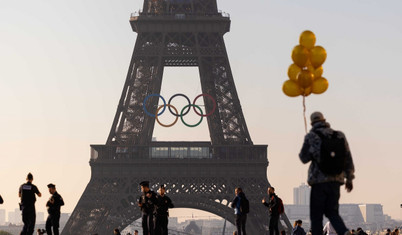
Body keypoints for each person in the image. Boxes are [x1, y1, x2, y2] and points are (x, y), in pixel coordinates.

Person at [299, 112, 355, 235]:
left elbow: (304, 158)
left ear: (312, 123)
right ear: (324, 120)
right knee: (332, 212)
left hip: (319, 181)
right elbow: (348, 159)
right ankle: (344, 232)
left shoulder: (312, 136)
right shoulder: (339, 135)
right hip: (336, 181)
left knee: (316, 215)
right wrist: (349, 179)